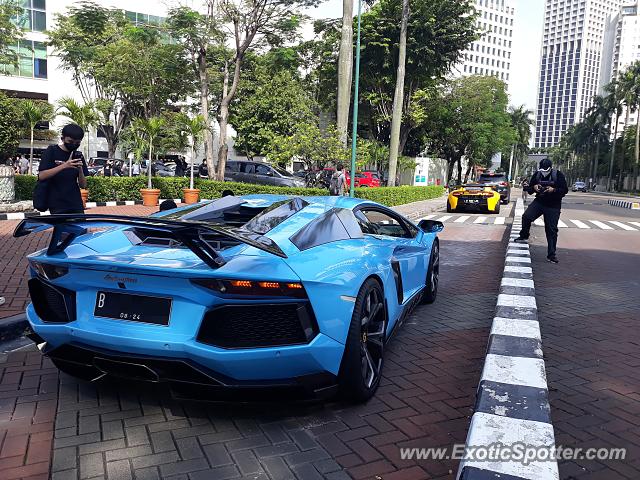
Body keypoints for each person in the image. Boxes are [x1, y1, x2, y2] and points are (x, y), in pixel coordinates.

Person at [514, 158, 568, 264]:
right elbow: (529, 190)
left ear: (550, 168)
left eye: (546, 170)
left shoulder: (558, 175)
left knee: (551, 230)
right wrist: (533, 187)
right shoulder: (537, 175)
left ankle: (551, 255)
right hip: (539, 202)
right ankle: (524, 235)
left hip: (553, 205)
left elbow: (564, 190)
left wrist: (554, 190)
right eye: (542, 170)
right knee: (526, 216)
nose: (544, 172)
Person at [37, 124, 89, 215]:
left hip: (75, 203)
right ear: (63, 138)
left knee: (80, 228)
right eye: (70, 141)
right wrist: (65, 165)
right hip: (57, 203)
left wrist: (80, 169)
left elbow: (83, 185)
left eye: (77, 143)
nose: (73, 144)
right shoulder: (51, 151)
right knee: (62, 229)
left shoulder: (78, 155)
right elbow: (42, 176)